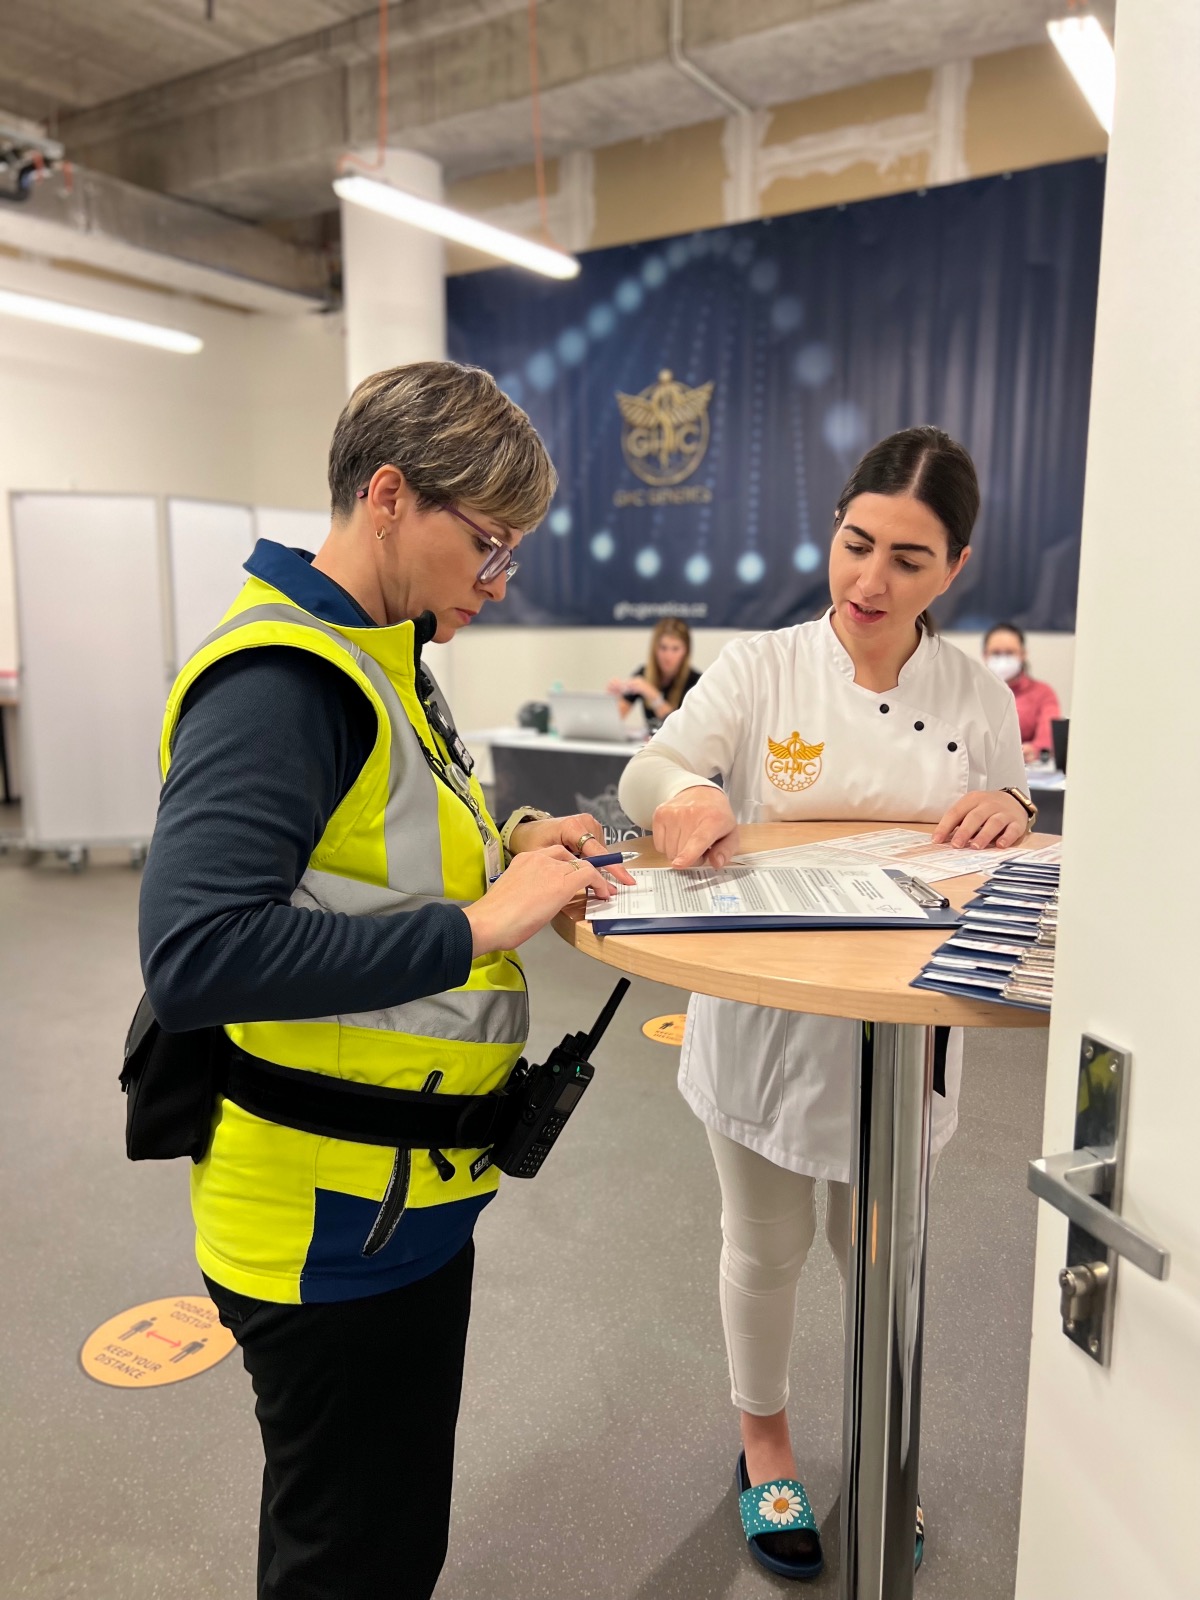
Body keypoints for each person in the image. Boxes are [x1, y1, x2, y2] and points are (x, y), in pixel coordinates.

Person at [138, 360, 634, 1600]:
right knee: (351, 1560)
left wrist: (515, 843)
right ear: (391, 495)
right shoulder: (283, 682)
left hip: (399, 1195)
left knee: (386, 1537)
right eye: (488, 543)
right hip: (326, 1219)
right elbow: (199, 951)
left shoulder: (385, 651)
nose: (498, 581)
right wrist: (479, 925)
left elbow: (370, 861)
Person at [618, 426, 1036, 1582]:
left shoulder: (975, 694)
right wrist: (686, 792)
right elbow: (647, 769)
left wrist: (1008, 805)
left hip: (905, 1034)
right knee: (767, 1245)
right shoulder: (763, 668)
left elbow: (1010, 802)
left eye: (909, 558)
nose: (870, 580)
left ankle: (885, 1451)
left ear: (955, 566)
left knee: (881, 1256)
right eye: (857, 543)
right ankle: (765, 1444)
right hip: (767, 1026)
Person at [982, 621, 1062, 763]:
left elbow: (1047, 738)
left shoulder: (1043, 693)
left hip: (1025, 769)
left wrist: (1034, 750)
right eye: (996, 653)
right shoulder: (972, 692)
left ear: (1023, 654)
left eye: (1009, 653)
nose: (1002, 660)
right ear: (985, 655)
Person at [606, 617, 701, 729]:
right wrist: (613, 699)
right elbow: (614, 720)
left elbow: (681, 728)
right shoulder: (643, 674)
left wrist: (654, 697)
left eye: (675, 649)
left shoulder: (696, 682)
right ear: (655, 648)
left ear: (686, 650)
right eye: (663, 648)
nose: (668, 656)